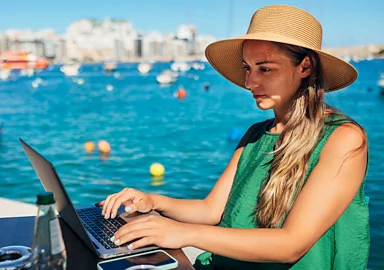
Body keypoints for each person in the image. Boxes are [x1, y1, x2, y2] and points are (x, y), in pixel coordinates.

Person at [99, 5, 369, 270]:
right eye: (247, 68)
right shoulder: (256, 134)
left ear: (305, 67)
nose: (250, 82)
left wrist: (182, 232)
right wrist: (153, 201)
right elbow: (211, 209)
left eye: (264, 69)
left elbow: (291, 245)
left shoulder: (343, 139)